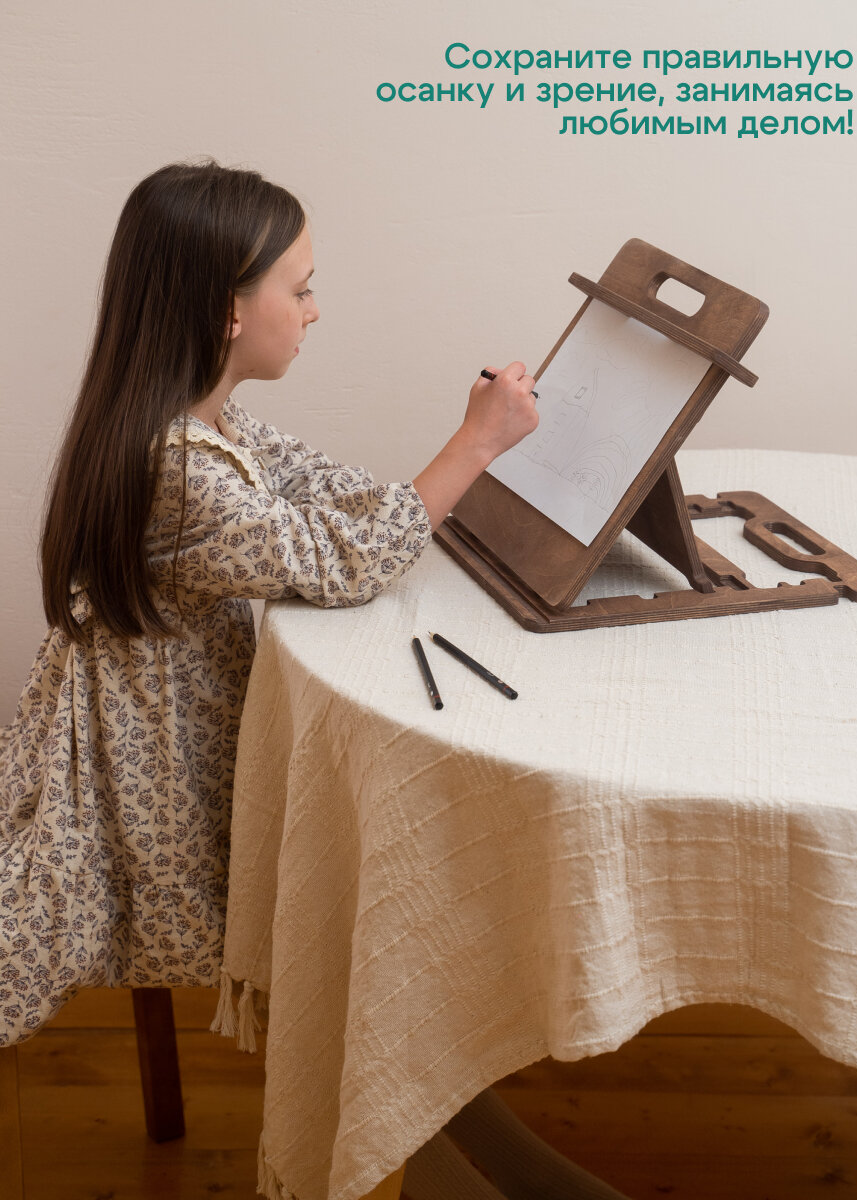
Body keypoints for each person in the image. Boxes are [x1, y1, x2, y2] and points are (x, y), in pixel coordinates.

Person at [1, 159, 622, 1200]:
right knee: (355, 901)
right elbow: (343, 559)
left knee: (362, 889)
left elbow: (343, 501)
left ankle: (452, 1128)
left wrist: (447, 467)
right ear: (227, 312)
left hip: (184, 744)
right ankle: (425, 1134)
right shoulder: (178, 470)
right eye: (301, 287)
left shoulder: (211, 423)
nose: (316, 309)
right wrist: (475, 442)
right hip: (155, 789)